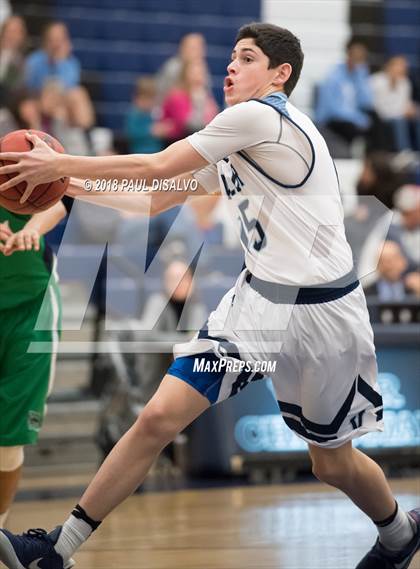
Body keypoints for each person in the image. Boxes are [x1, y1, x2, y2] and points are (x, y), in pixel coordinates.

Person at [0, 22, 418, 569]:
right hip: (256, 305)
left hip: (323, 312)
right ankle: (59, 548)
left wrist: (61, 164)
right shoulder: (239, 138)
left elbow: (154, 164)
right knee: (156, 419)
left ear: (279, 75)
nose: (230, 67)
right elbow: (152, 198)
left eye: (245, 58)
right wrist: (65, 187)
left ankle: (395, 532)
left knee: (331, 465)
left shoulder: (263, 117)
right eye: (231, 58)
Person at [0, 201, 66, 532]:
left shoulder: (21, 150)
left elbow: (61, 197)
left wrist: (31, 229)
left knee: (8, 444)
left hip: (31, 309)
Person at [25, 21, 95, 131]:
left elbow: (69, 87)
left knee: (78, 94)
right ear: (45, 41)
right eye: (53, 39)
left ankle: (86, 134)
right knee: (54, 107)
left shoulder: (71, 62)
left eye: (60, 39)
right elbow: (30, 87)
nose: (56, 44)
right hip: (39, 99)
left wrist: (59, 62)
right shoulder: (34, 61)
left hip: (62, 101)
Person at [315, 38, 373, 146]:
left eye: (361, 59)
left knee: (375, 121)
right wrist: (357, 118)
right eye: (357, 58)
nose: (359, 62)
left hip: (350, 118)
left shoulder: (358, 76)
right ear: (349, 56)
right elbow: (333, 109)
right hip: (331, 119)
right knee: (352, 128)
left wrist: (361, 77)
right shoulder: (334, 76)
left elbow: (367, 102)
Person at [161, 59, 219, 144]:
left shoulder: (204, 95)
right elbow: (187, 125)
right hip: (175, 141)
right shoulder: (177, 95)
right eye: (194, 73)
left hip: (194, 140)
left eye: (201, 73)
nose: (198, 76)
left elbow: (213, 120)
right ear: (185, 75)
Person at [370, 55, 420, 152]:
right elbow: (378, 107)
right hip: (381, 116)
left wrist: (412, 108)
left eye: (405, 67)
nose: (403, 69)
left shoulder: (404, 82)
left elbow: (405, 102)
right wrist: (402, 112)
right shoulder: (376, 81)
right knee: (399, 121)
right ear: (390, 66)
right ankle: (404, 151)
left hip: (399, 114)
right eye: (400, 66)